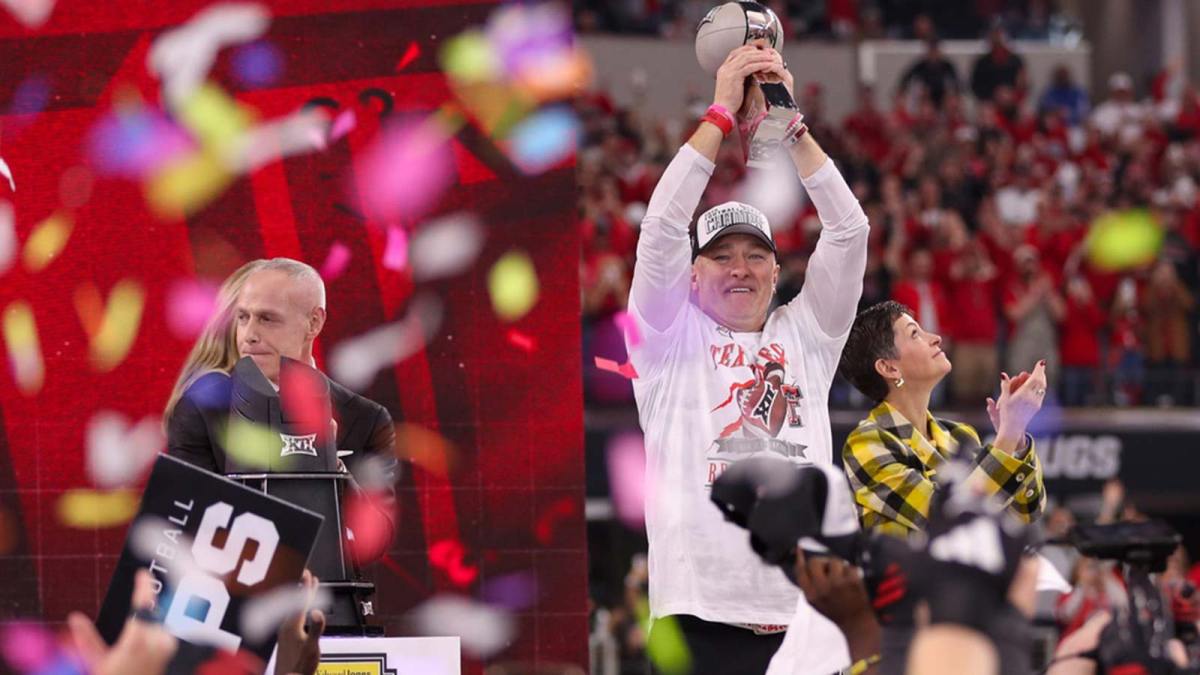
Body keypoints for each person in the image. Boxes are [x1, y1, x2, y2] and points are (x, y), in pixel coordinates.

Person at [624, 43, 869, 674]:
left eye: (756, 255)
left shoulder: (808, 336)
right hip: (698, 617)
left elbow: (850, 232)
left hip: (806, 622)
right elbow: (658, 231)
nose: (741, 269)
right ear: (693, 275)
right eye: (722, 257)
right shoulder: (665, 339)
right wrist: (719, 117)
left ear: (777, 270)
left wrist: (791, 126)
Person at [163, 258, 397, 562]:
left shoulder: (366, 418)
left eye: (267, 319)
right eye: (243, 318)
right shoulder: (201, 410)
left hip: (328, 601)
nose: (248, 335)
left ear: (314, 322)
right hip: (233, 599)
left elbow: (378, 541)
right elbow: (181, 524)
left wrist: (331, 470)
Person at [838, 300, 1046, 540]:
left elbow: (1026, 513)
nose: (935, 337)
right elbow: (943, 520)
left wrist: (1016, 438)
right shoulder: (867, 443)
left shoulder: (960, 435)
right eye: (915, 334)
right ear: (889, 367)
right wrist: (1007, 436)